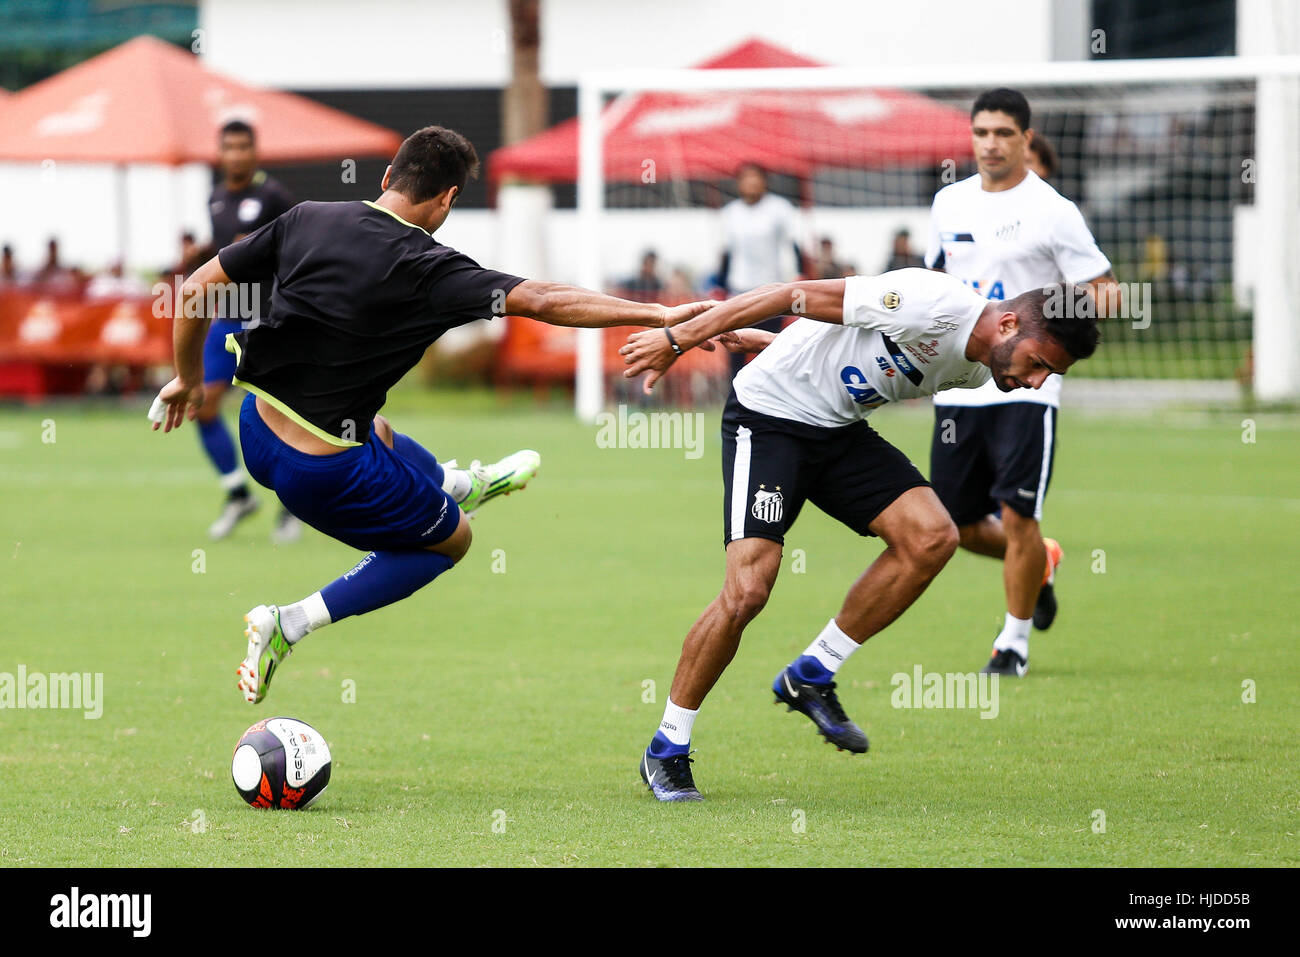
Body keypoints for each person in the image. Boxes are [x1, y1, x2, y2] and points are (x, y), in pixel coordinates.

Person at [151, 125, 711, 706]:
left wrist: (188, 380)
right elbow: (545, 301)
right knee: (453, 540)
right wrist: (658, 314)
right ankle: (289, 622)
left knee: (376, 429)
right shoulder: (433, 269)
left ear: (389, 177)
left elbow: (194, 289)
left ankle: (462, 482)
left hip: (257, 432)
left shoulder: (308, 217)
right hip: (321, 475)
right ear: (446, 199)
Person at [620, 267, 1100, 801]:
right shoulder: (930, 303)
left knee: (932, 536)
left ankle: (813, 672)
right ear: (1009, 322)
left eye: (1048, 375)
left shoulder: (976, 373)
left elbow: (857, 352)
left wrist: (781, 343)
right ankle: (667, 745)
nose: (1036, 383)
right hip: (770, 417)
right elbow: (790, 294)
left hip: (838, 431)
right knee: (748, 591)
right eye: (1039, 364)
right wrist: (675, 338)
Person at [925, 88, 1120, 678]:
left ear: (1026, 139)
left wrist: (1043, 323)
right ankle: (1044, 563)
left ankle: (1012, 644)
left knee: (1018, 518)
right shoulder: (947, 204)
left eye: (1003, 133)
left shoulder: (1053, 211)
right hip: (959, 385)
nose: (990, 143)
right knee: (953, 525)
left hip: (1027, 390)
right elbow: (938, 280)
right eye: (981, 132)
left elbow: (1107, 291)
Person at [200, 120, 300, 543]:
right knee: (202, 406)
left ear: (255, 151)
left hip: (265, 316)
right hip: (228, 315)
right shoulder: (216, 197)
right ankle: (237, 494)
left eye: (244, 147)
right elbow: (226, 254)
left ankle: (293, 505)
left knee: (277, 415)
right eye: (229, 147)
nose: (236, 154)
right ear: (220, 152)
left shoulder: (274, 196)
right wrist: (200, 252)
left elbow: (298, 248)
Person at [717, 162, 803, 377]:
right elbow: (726, 253)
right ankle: (735, 393)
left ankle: (771, 394)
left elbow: (793, 246)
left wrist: (797, 276)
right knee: (734, 343)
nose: (751, 183)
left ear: (765, 183)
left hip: (771, 289)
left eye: (756, 178)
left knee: (771, 345)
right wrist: (719, 285)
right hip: (739, 289)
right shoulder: (731, 212)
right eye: (746, 179)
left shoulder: (779, 208)